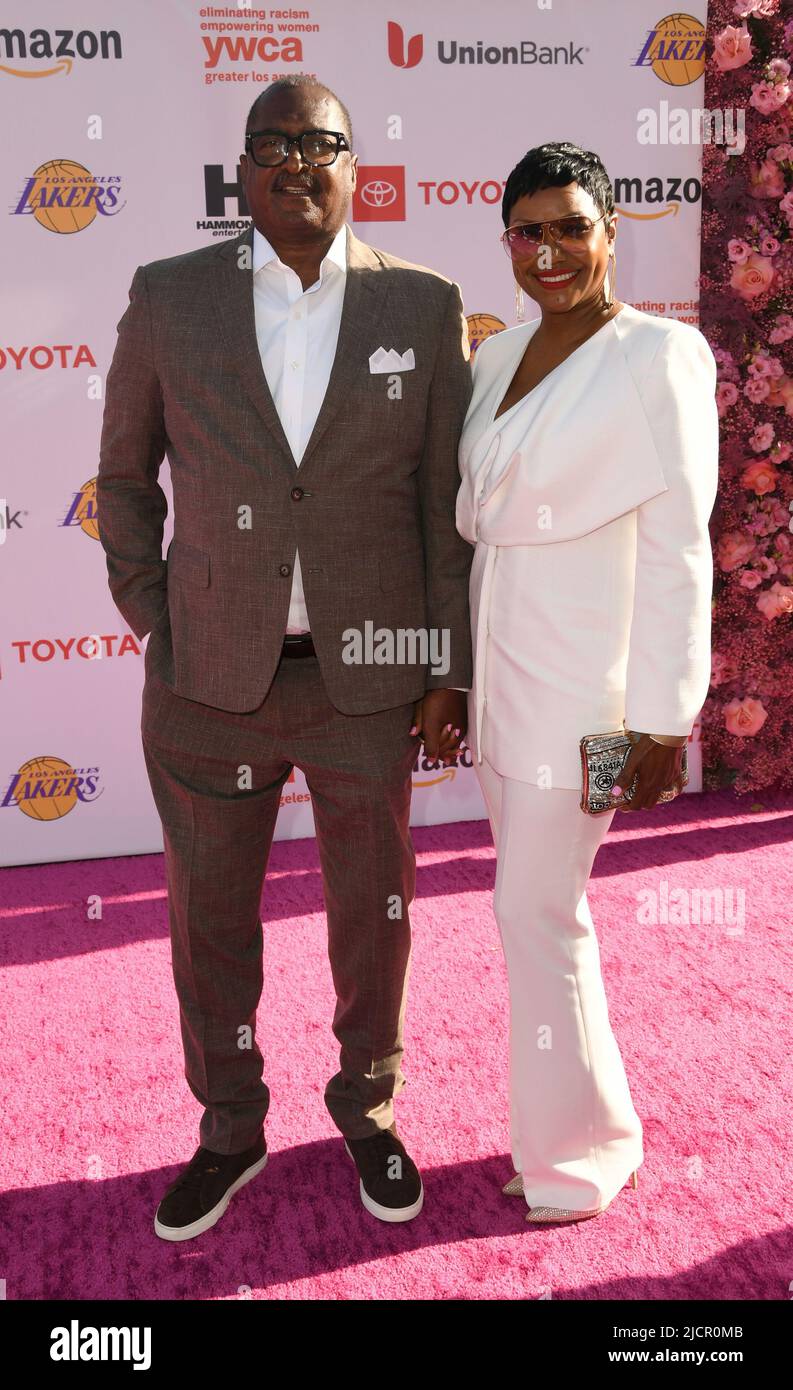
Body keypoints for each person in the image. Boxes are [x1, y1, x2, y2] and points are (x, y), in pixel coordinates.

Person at [96, 77, 473, 1239]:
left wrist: (444, 667)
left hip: (367, 677)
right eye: (271, 146)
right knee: (210, 919)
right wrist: (157, 615)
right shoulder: (169, 299)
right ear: (242, 173)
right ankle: (229, 1125)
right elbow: (122, 478)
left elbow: (439, 504)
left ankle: (367, 1104)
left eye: (320, 144)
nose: (295, 164)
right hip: (210, 680)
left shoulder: (421, 303)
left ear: (357, 166)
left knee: (378, 910)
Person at [453, 141, 718, 1223]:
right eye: (529, 229)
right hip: (503, 693)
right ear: (506, 241)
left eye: (572, 226)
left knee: (538, 911)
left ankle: (578, 1156)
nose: (550, 250)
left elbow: (677, 547)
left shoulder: (660, 355)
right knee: (536, 914)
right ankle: (563, 1125)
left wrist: (663, 721)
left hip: (596, 710)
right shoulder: (493, 357)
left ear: (611, 231)